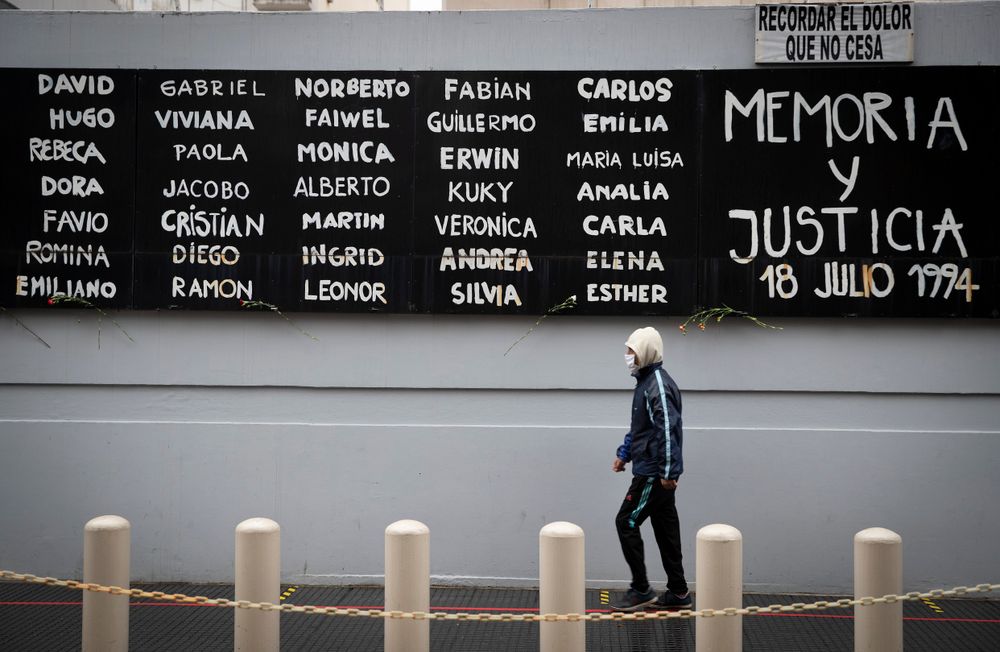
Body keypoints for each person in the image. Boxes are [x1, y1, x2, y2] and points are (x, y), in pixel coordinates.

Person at [610, 326, 691, 612]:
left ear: (645, 352)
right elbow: (641, 430)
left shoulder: (656, 384)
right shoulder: (646, 382)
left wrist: (669, 471)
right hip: (652, 467)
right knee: (666, 528)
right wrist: (624, 454)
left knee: (626, 521)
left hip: (653, 472)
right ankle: (679, 593)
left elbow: (667, 429)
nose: (627, 356)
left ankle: (641, 589)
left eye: (631, 350)